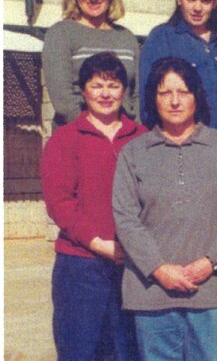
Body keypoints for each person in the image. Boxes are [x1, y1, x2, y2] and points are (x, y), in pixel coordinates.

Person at [112, 56, 217, 360]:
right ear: (153, 98)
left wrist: (211, 261)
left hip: (210, 291)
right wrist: (159, 269)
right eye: (165, 93)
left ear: (196, 97)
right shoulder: (134, 152)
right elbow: (125, 218)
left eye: (183, 92)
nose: (174, 101)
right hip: (151, 292)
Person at [41, 52, 146, 361]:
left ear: (124, 91)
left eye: (113, 85)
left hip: (132, 266)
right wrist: (100, 244)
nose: (105, 94)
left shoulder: (142, 138)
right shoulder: (65, 139)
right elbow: (60, 203)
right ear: (83, 91)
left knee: (128, 351)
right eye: (97, 85)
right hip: (81, 266)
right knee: (80, 351)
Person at [140, 0, 217, 132]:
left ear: (215, 2)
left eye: (205, 0)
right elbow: (147, 102)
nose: (197, 8)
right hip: (188, 146)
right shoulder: (162, 38)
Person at [43, 0, 139, 129]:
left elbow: (137, 95)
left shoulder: (127, 38)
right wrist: (100, 133)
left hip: (124, 140)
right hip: (78, 137)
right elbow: (64, 101)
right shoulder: (60, 34)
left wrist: (131, 132)